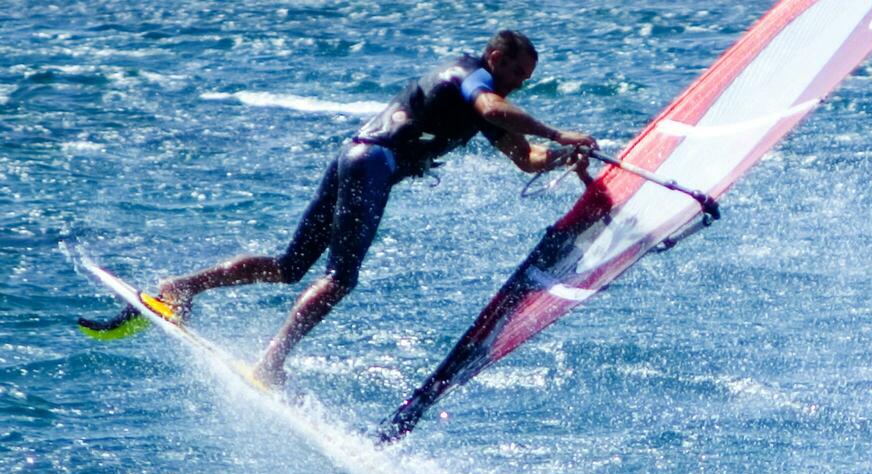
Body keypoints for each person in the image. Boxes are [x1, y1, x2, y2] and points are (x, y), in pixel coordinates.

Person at [90, 29, 596, 387]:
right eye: (513, 71)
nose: (517, 84)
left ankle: (180, 288)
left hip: (354, 156)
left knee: (290, 267)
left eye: (525, 79)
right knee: (340, 277)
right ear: (493, 55)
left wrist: (559, 156)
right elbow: (491, 106)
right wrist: (557, 130)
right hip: (372, 161)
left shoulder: (487, 102)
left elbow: (524, 158)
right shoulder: (467, 76)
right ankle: (271, 363)